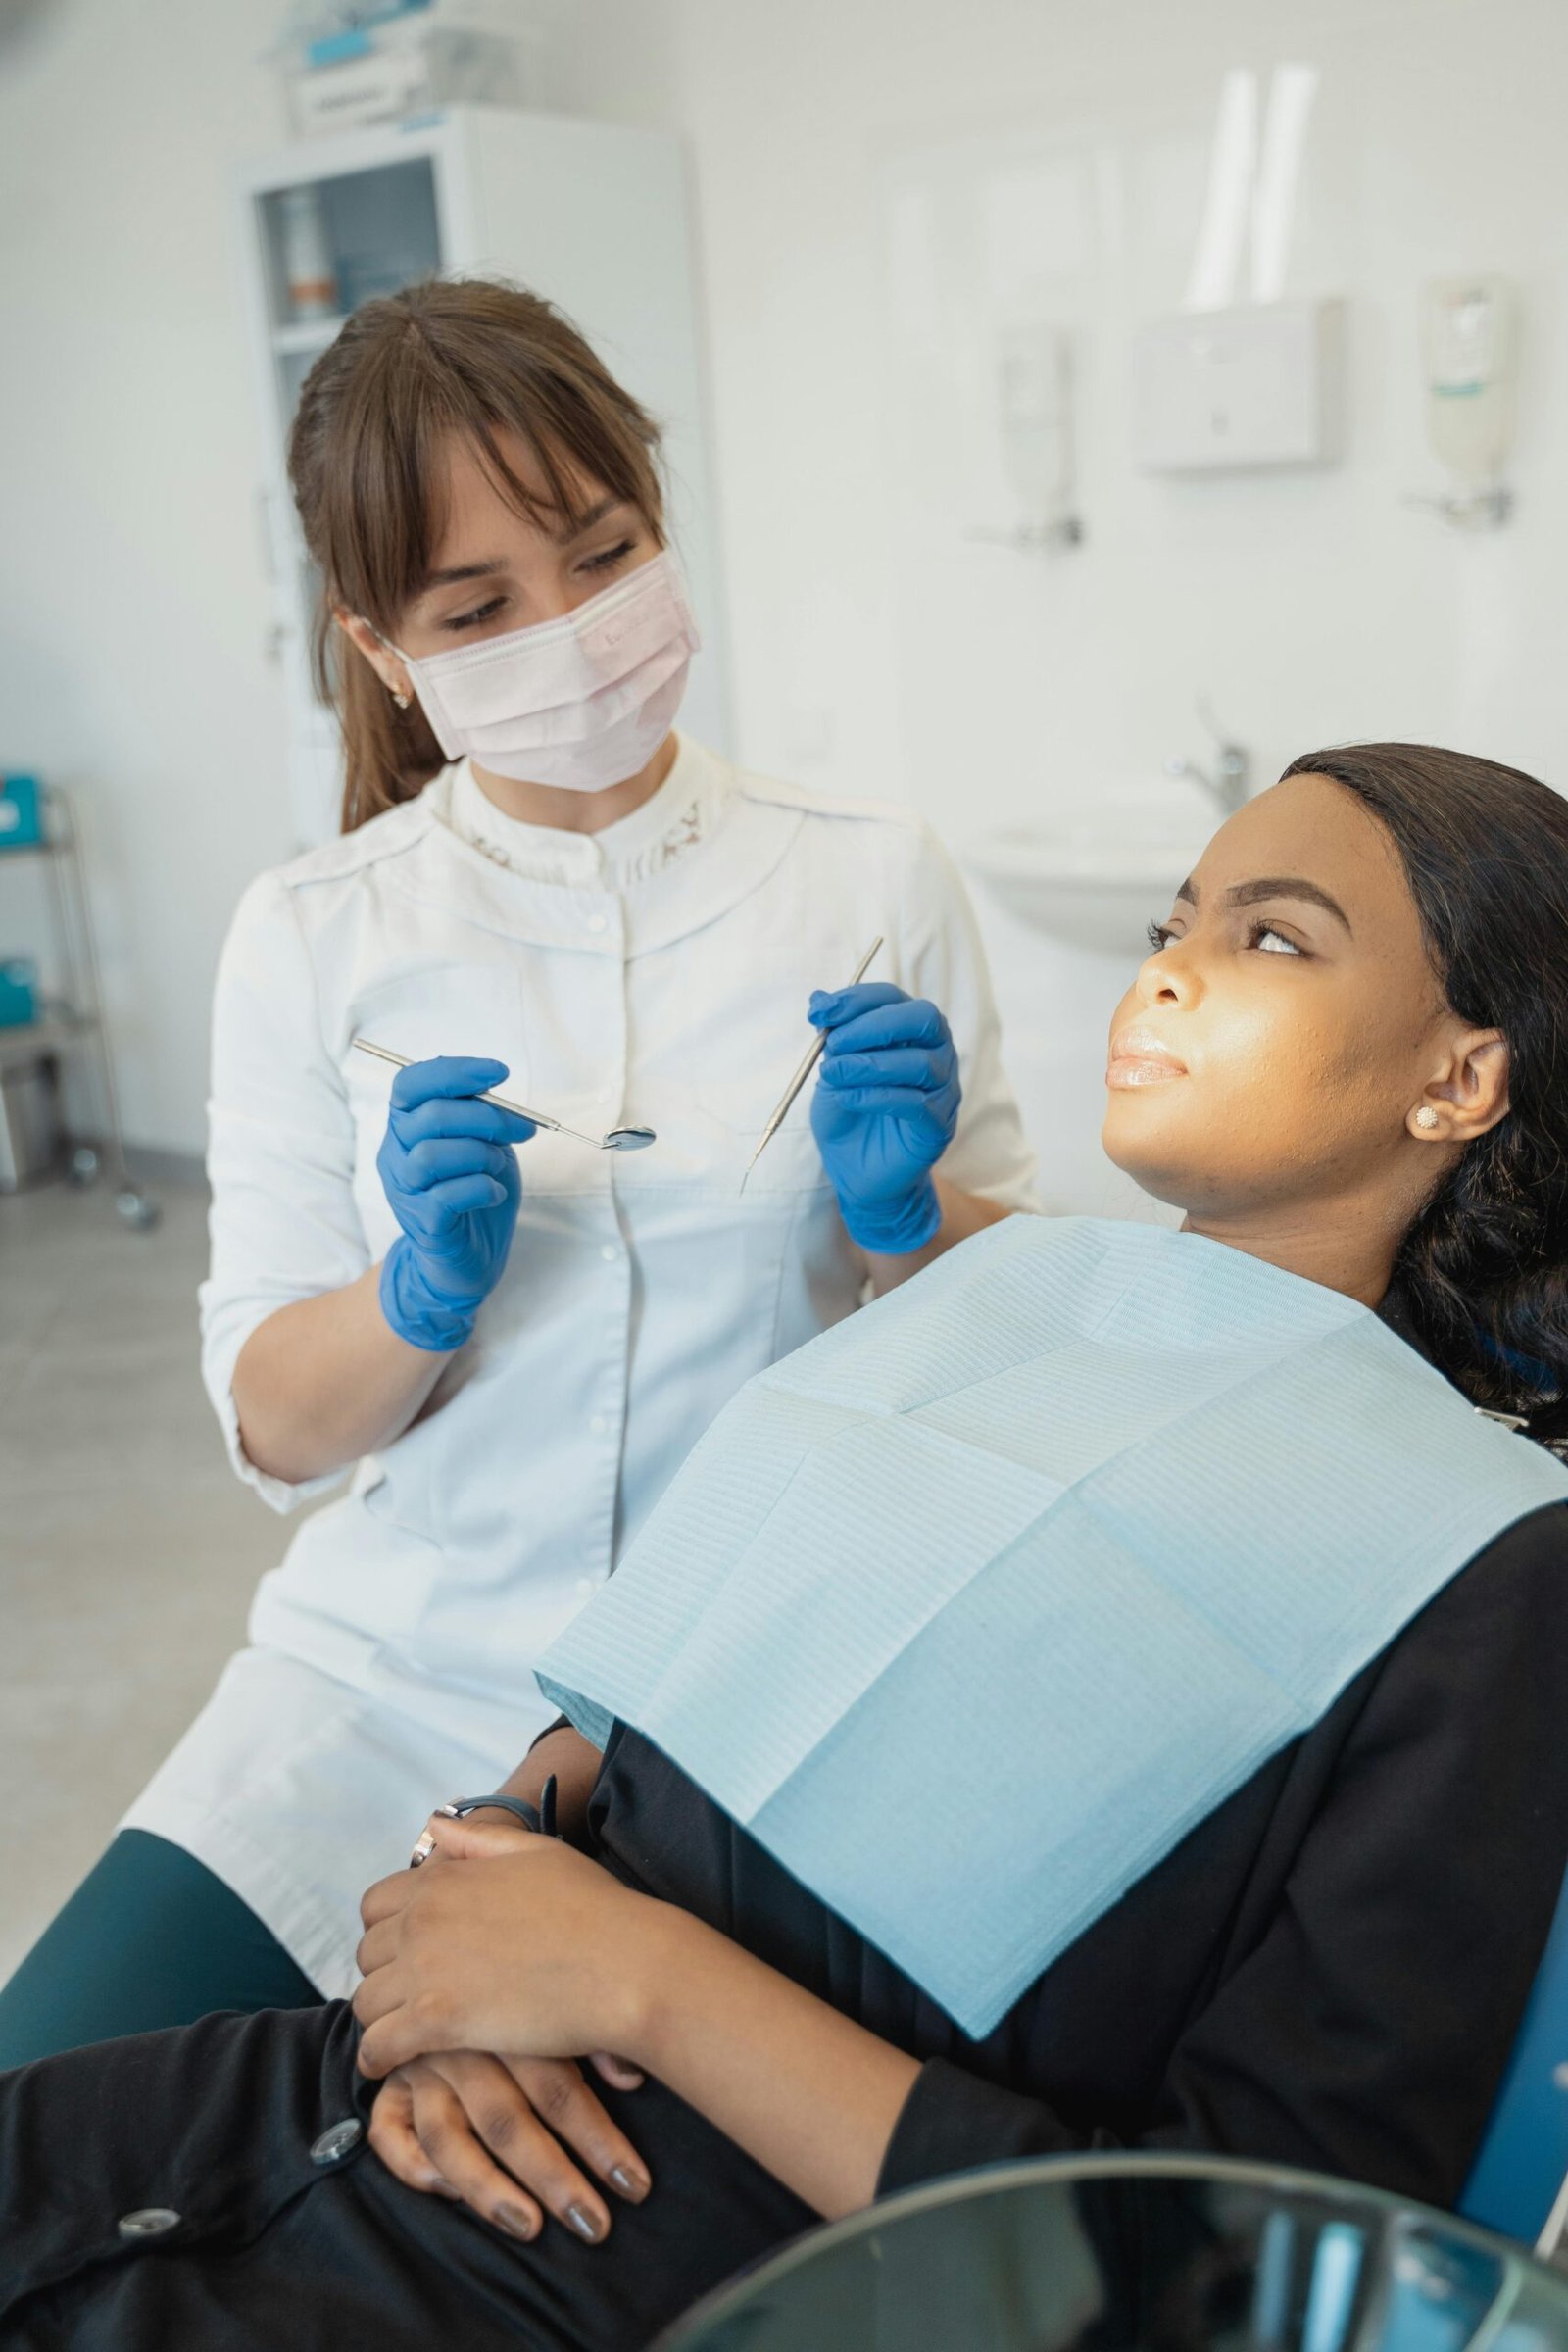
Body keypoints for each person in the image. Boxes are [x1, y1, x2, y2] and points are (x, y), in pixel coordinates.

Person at [6, 743, 1568, 2352]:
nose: (1166, 975)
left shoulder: (1483, 1571)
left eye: (1274, 938)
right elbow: (622, 1712)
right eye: (1174, 926)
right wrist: (480, 1915)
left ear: (1460, 1079)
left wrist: (632, 1982)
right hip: (376, 2091)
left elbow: (1234, 2281)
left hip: (659, 2269)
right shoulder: (994, 1300)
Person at [0, 282, 1037, 2066]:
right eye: (478, 608)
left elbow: (1010, 1359)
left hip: (763, 1695)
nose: (567, 631)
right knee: (50, 2097)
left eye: (603, 553)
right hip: (382, 1680)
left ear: (659, 522)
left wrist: (908, 1223)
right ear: (384, 650)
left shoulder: (872, 877)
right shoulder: (313, 933)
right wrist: (413, 1299)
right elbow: (277, 1421)